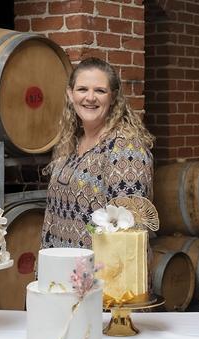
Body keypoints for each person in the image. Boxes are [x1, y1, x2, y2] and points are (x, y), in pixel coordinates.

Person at [41, 57, 155, 249]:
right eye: (82, 89)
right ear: (70, 94)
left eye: (100, 91)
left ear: (113, 97)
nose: (90, 97)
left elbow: (128, 233)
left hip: (101, 274)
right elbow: (53, 214)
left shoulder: (125, 149)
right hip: (62, 271)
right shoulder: (70, 142)